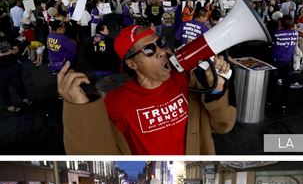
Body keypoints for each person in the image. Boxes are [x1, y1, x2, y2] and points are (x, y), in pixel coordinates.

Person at [57, 24, 236, 154]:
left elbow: (222, 126)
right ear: (132, 63)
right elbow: (99, 151)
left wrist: (217, 88)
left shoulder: (184, 78)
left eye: (160, 43)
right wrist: (80, 109)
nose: (161, 52)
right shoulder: (116, 102)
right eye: (149, 50)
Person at [271, 14, 298, 112]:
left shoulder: (276, 33)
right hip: (287, 61)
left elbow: (271, 41)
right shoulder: (294, 33)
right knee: (286, 85)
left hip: (276, 61)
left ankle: (270, 101)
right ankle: (283, 105)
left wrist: (279, 27)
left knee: (273, 82)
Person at [0, 29, 31, 112]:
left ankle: (24, 98)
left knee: (19, 84)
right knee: (3, 89)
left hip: (12, 65)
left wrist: (14, 50)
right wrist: (4, 54)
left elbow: (15, 46)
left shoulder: (5, 37)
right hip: (1, 70)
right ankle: (9, 106)